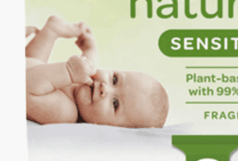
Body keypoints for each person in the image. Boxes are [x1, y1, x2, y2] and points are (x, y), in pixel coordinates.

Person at [26, 16, 169, 128]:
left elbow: (26, 88)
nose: (104, 87)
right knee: (35, 62)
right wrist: (90, 49)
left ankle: (50, 33)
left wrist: (68, 71)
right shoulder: (88, 84)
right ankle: (51, 31)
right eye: (114, 79)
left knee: (36, 65)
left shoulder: (65, 112)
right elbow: (90, 65)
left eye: (115, 103)